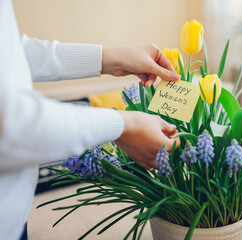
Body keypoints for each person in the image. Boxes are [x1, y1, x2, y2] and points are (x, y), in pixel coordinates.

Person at [0, 0, 180, 239]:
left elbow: (11, 50)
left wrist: (110, 57)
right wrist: (123, 125)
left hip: (15, 218)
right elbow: (11, 122)